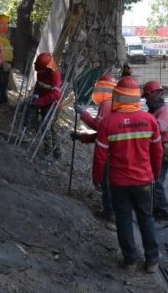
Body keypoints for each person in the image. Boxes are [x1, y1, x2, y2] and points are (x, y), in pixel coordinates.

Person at [92, 76, 163, 273]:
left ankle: (130, 260)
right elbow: (157, 153)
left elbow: (99, 157)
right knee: (146, 218)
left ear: (117, 96)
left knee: (123, 218)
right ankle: (151, 261)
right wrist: (155, 175)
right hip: (144, 181)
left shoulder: (108, 123)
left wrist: (96, 179)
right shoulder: (150, 120)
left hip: (119, 182)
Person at [73, 72, 117, 226]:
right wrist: (82, 137)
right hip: (115, 147)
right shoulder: (114, 102)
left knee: (107, 182)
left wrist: (83, 114)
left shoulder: (106, 104)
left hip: (110, 150)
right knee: (111, 182)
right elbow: (102, 133)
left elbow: (100, 128)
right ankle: (112, 210)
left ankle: (110, 213)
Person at [142, 80, 168, 226]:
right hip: (156, 151)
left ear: (156, 94)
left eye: (147, 97)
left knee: (157, 183)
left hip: (163, 151)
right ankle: (156, 210)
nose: (146, 100)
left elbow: (157, 128)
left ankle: (165, 215)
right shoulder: (153, 110)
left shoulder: (164, 111)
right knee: (152, 182)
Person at [26, 52, 62, 158]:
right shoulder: (41, 72)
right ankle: (55, 150)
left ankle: (49, 151)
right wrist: (36, 96)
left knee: (46, 127)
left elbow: (56, 94)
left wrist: (39, 102)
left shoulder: (55, 75)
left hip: (53, 105)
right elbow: (39, 85)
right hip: (44, 102)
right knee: (50, 127)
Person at [0, 14, 14, 104]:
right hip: (0, 64)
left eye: (7, 24)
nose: (6, 26)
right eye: (4, 24)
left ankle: (3, 99)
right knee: (0, 83)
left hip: (6, 64)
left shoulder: (4, 37)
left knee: (4, 83)